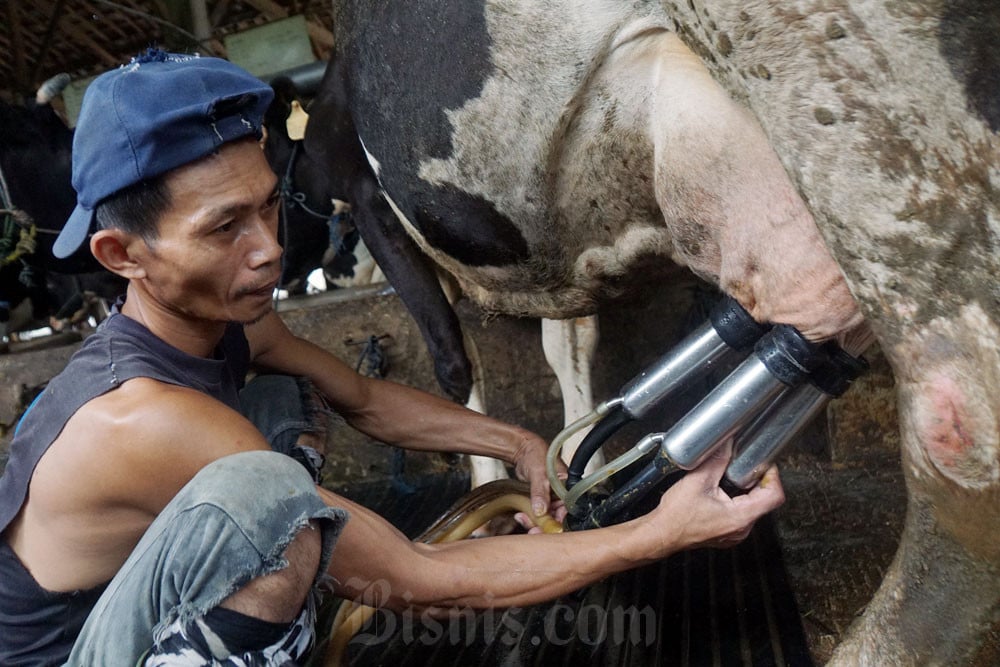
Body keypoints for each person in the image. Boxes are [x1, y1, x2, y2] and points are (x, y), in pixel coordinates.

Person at [0, 51, 785, 666]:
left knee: (286, 407)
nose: (270, 249)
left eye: (270, 203)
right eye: (223, 227)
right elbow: (418, 576)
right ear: (120, 253)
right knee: (272, 504)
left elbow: (367, 399)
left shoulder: (224, 330)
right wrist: (660, 532)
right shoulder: (140, 415)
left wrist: (514, 442)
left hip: (140, 606)